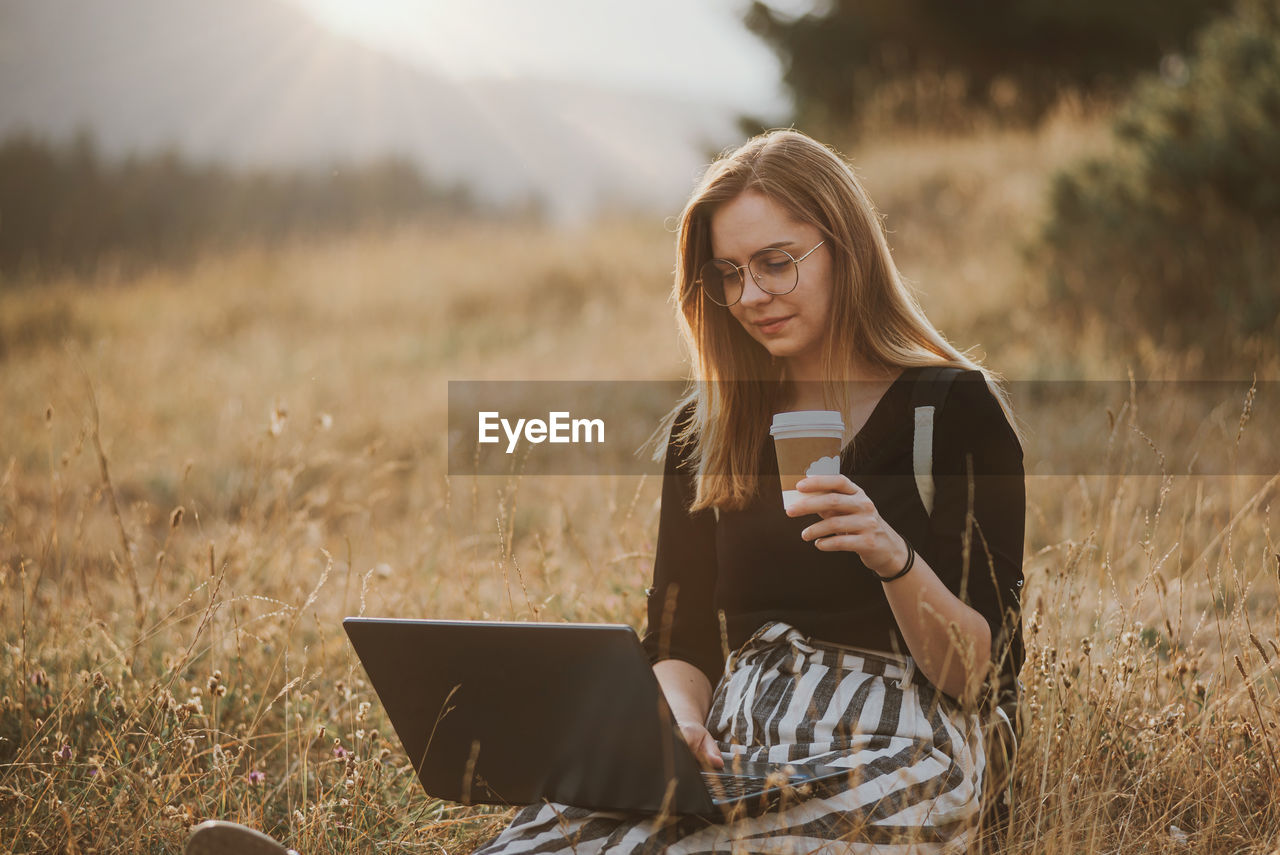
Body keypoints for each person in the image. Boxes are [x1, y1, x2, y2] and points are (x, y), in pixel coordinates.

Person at [186, 128, 1025, 855]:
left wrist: (892, 555)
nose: (752, 295)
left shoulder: (949, 412)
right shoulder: (708, 433)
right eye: (728, 274)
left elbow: (982, 676)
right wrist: (673, 726)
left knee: (680, 842)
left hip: (900, 741)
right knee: (574, 815)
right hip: (740, 740)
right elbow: (681, 640)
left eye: (777, 262)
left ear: (846, 244)